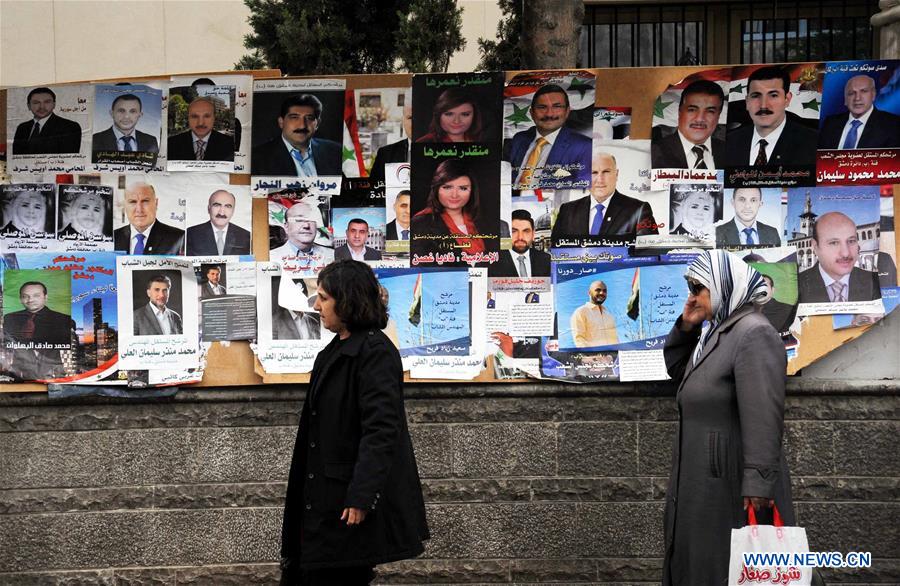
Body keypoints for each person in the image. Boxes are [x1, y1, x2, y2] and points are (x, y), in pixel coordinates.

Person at [280, 260, 429, 585]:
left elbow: (381, 430)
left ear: (346, 300)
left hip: (345, 505)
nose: (316, 305)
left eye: (323, 298)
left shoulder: (375, 352)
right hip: (320, 499)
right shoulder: (333, 351)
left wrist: (361, 496)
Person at [662, 250, 794, 586]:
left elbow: (765, 409)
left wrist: (759, 484)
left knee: (727, 570)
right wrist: (686, 327)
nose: (693, 296)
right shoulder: (717, 332)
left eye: (699, 288)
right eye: (691, 288)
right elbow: (682, 375)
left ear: (725, 285)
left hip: (731, 489)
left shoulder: (753, 333)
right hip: (704, 484)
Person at [551, 152, 658, 242]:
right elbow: (556, 251)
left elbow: (649, 254)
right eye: (594, 173)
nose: (600, 179)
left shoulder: (639, 210)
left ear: (616, 174)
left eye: (606, 172)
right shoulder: (567, 211)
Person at [724, 66, 817, 167]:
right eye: (756, 96)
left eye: (773, 95)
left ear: (787, 99)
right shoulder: (729, 142)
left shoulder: (813, 143)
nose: (764, 105)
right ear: (747, 101)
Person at [506, 84, 592, 189]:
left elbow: (584, 187)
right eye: (542, 107)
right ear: (532, 113)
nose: (549, 114)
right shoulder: (519, 139)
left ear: (567, 112)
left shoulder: (584, 146)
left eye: (557, 106)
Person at [797, 211, 881, 303]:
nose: (845, 254)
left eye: (851, 241)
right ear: (815, 247)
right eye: (834, 243)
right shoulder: (797, 285)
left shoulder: (875, 281)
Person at [410, 159, 489, 255]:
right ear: (436, 188)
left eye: (463, 188)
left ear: (472, 191)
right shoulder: (420, 223)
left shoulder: (482, 222)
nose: (454, 195)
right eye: (447, 187)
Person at [252, 94, 342, 176]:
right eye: (294, 117)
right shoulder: (257, 158)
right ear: (281, 122)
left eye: (309, 118)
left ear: (317, 124)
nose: (302, 125)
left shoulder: (336, 152)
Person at [3, 281, 74, 380]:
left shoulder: (63, 320)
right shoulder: (9, 318)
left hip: (53, 375)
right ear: (20, 299)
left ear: (45, 297)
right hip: (17, 375)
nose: (30, 300)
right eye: (25, 296)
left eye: (36, 295)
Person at [652, 80, 726, 169]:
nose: (700, 119)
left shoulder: (730, 151)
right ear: (680, 112)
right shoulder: (653, 153)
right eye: (692, 110)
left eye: (710, 111)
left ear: (718, 115)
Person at [818, 74, 900, 150]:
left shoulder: (893, 124)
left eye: (864, 91)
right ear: (845, 99)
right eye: (851, 93)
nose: (857, 98)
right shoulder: (830, 123)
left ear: (873, 94)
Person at [114, 182, 185, 255]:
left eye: (145, 201)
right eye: (133, 202)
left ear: (156, 203)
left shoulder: (179, 238)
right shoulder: (113, 238)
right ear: (125, 206)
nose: (139, 209)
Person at [12, 87, 82, 155]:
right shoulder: (22, 128)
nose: (42, 107)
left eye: (47, 102)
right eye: (36, 102)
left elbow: (69, 160)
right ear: (29, 106)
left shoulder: (70, 127)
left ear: (54, 104)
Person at [167, 97, 235, 161]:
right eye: (194, 116)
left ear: (214, 118)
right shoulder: (171, 144)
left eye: (207, 116)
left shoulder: (230, 144)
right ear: (188, 118)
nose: (200, 123)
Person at [185, 189, 251, 256]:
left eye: (228, 206)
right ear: (208, 209)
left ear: (233, 211)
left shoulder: (246, 236)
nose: (221, 212)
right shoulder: (190, 234)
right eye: (217, 205)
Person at [490, 210, 551, 277]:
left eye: (526, 231)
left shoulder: (547, 261)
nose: (520, 237)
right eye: (514, 231)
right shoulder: (491, 263)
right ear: (507, 233)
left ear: (533, 234)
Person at [92, 93, 159, 153]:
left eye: (132, 111)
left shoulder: (151, 141)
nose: (126, 116)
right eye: (121, 111)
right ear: (112, 114)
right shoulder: (95, 140)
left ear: (140, 115)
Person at [715, 187, 781, 246]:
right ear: (733, 202)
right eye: (742, 200)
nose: (747, 206)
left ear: (760, 204)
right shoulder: (717, 232)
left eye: (753, 200)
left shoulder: (772, 233)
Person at [369, 101, 412, 188]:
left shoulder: (443, 150)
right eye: (410, 117)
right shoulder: (385, 154)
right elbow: (374, 189)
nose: (415, 123)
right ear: (403, 120)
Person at [415, 88, 483, 142]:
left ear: (475, 116)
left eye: (465, 114)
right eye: (449, 114)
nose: (456, 121)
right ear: (438, 115)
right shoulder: (425, 142)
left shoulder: (481, 140)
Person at [570, 280, 619, 347]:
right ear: (589, 292)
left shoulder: (609, 316)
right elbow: (579, 340)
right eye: (598, 290)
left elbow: (615, 341)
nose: (602, 293)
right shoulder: (580, 312)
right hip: (592, 356)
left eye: (604, 291)